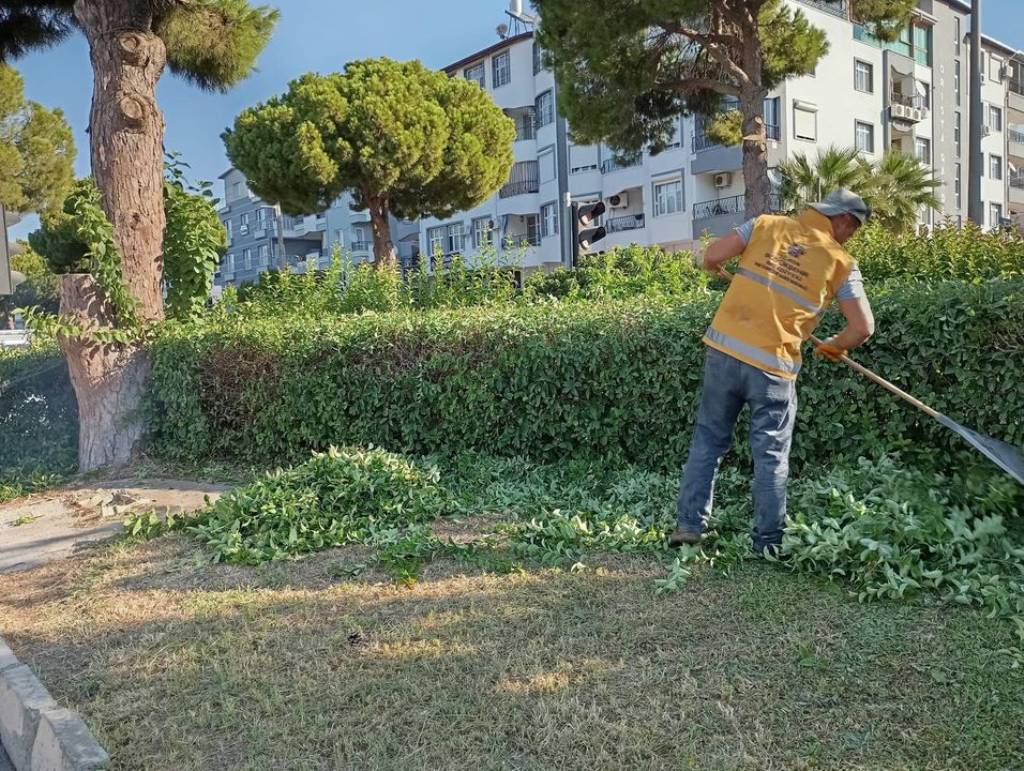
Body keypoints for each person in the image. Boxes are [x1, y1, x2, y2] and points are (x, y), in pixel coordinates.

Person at [670, 189, 875, 555]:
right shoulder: (842, 263)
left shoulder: (765, 225)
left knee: (708, 441)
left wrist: (714, 267)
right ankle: (768, 541)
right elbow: (862, 328)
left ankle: (689, 525)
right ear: (842, 219)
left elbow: (711, 255)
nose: (851, 237)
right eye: (854, 229)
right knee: (771, 455)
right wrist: (836, 345)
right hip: (773, 367)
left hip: (725, 352)